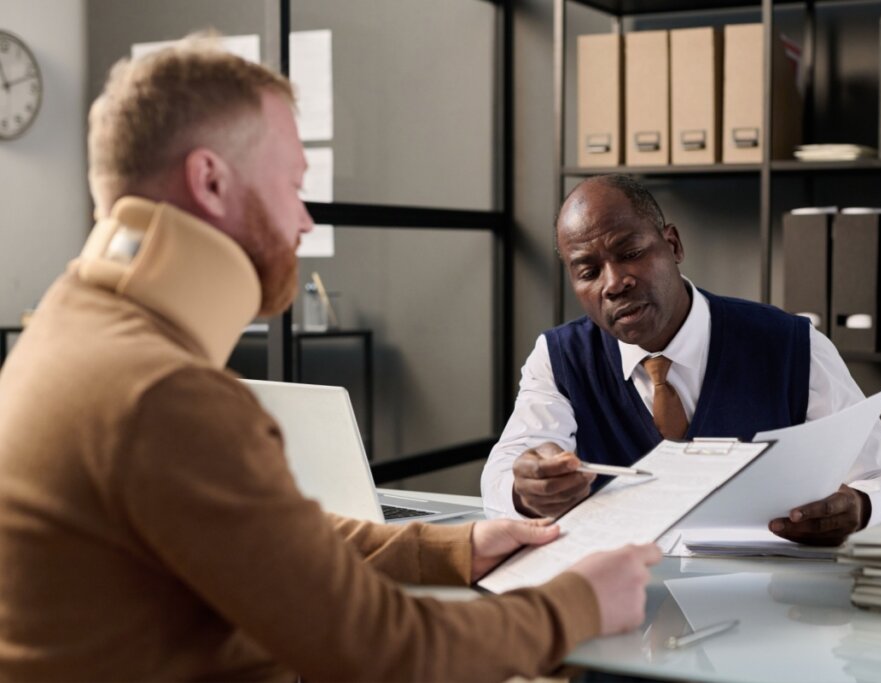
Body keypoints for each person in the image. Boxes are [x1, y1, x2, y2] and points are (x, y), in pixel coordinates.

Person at [0, 38, 662, 681]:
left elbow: (260, 541)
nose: (304, 219)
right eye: (291, 184)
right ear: (209, 180)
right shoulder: (161, 393)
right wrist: (577, 603)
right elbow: (385, 651)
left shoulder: (67, 327)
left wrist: (454, 546)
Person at [481, 174, 881, 546]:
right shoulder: (559, 359)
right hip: (626, 607)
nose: (615, 283)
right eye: (588, 271)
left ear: (672, 245)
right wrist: (525, 490)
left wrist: (860, 507)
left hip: (765, 609)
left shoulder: (792, 345)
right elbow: (502, 475)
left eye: (630, 252)